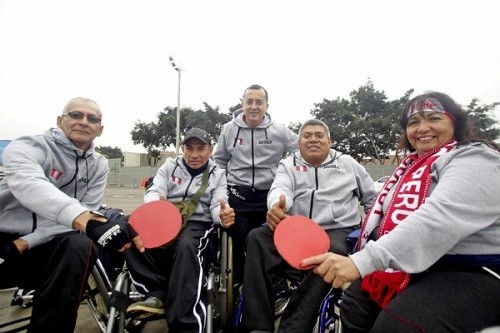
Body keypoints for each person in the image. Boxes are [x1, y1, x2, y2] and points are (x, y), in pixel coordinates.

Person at [303, 92, 500, 332]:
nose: (422, 128)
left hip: (473, 270)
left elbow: (439, 218)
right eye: (413, 122)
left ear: (455, 123)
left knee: (397, 324)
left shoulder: (476, 157)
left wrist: (364, 260)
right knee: (356, 302)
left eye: (434, 118)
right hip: (415, 266)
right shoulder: (408, 167)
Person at [0, 97, 142, 332]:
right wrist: (85, 219)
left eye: (92, 118)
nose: (84, 122)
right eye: (76, 115)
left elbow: (82, 218)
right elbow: (30, 185)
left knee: (79, 244)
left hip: (41, 243)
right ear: (60, 120)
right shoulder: (28, 146)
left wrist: (28, 241)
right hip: (6, 234)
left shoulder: (99, 165)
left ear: (100, 129)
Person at [240, 119, 378, 332]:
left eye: (319, 135)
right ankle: (257, 325)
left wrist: (378, 226)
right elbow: (280, 188)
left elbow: (373, 198)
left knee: (332, 252)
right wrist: (276, 206)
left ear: (330, 141)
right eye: (307, 135)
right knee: (256, 238)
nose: (313, 139)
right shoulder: (288, 164)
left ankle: (294, 326)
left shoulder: (348, 163)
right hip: (297, 229)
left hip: (336, 229)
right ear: (298, 143)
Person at [125, 128, 235, 332]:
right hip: (166, 217)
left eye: (201, 148)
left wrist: (223, 215)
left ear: (210, 150)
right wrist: (155, 205)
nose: (194, 154)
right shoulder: (169, 167)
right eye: (189, 148)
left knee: (186, 246)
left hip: (197, 223)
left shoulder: (217, 174)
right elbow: (155, 189)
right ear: (182, 148)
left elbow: (218, 204)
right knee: (129, 229)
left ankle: (186, 323)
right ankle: (156, 293)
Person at [213, 84, 298, 283]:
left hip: (268, 197)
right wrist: (221, 187)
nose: (254, 106)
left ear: (266, 105)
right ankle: (240, 283)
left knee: (271, 238)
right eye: (249, 101)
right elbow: (220, 161)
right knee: (238, 237)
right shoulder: (229, 129)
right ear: (242, 104)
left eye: (259, 102)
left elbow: (301, 150)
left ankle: (274, 281)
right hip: (239, 196)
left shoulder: (279, 130)